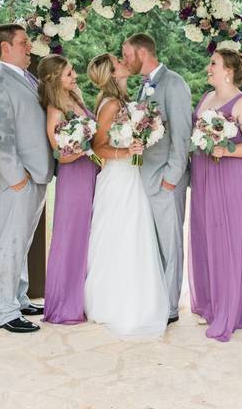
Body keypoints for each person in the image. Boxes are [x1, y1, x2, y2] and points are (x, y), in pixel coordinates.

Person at [84, 53, 169, 339]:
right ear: (112, 72)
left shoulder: (124, 101)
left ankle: (136, 298)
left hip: (132, 178)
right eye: (119, 62)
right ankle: (111, 302)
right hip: (118, 179)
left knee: (134, 235)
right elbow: (98, 146)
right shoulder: (109, 105)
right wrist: (126, 152)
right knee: (118, 235)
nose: (124, 62)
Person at [0, 24, 54, 333]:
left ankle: (19, 296)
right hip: (18, 177)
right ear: (5, 47)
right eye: (23, 43)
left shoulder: (28, 78)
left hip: (36, 173)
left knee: (21, 240)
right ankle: (5, 310)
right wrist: (17, 177)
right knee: (10, 240)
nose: (29, 48)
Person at [189, 48, 242, 341]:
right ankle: (211, 303)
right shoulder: (207, 98)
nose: (209, 68)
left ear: (228, 71)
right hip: (206, 174)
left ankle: (229, 311)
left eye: (214, 64)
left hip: (233, 178)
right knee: (207, 237)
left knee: (229, 241)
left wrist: (227, 149)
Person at [122, 34, 192, 324]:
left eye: (126, 54)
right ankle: (155, 299)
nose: (125, 60)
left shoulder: (174, 83)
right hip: (144, 178)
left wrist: (170, 179)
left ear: (142, 52)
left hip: (165, 179)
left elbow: (182, 135)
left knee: (170, 244)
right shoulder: (143, 87)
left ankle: (170, 307)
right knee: (152, 244)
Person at [39, 54, 99, 325]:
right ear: (54, 79)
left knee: (87, 235)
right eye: (68, 74)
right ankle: (64, 304)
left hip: (90, 172)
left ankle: (84, 298)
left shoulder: (75, 99)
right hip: (74, 177)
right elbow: (60, 155)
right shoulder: (55, 109)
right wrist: (84, 149)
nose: (74, 77)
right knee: (71, 236)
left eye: (73, 71)